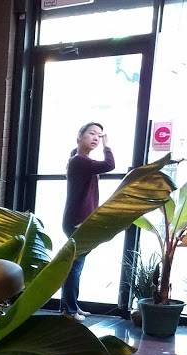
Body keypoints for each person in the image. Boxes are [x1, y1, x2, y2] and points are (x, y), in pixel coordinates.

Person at [61, 122, 114, 320]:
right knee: (74, 267)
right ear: (80, 136)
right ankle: (70, 310)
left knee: (75, 266)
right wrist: (107, 146)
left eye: (99, 135)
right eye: (92, 133)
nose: (96, 138)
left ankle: (70, 306)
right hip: (77, 221)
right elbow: (109, 165)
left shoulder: (82, 161)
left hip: (80, 221)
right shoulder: (79, 161)